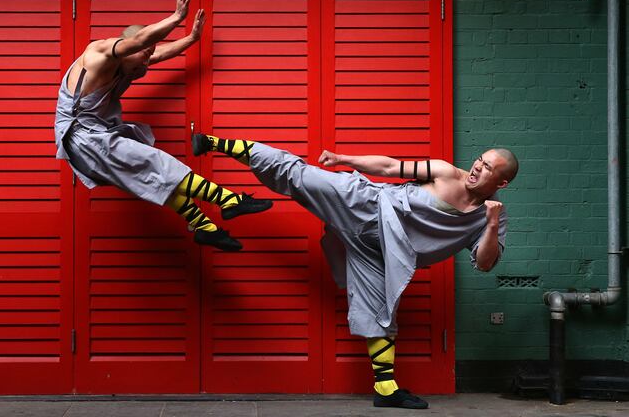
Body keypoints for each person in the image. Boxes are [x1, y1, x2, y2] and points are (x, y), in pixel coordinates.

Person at [191, 133, 517, 409]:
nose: (477, 167)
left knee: (381, 313)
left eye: (488, 167)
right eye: (480, 160)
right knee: (297, 174)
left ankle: (386, 390)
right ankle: (213, 143)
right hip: (365, 205)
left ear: (501, 182)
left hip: (380, 252)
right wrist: (343, 158)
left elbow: (484, 263)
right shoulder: (446, 173)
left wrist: (489, 224)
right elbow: (390, 167)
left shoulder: (493, 216)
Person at [54, 0, 272, 252]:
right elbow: (140, 41)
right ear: (130, 47)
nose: (147, 63)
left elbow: (157, 53)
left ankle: (204, 227)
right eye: (144, 55)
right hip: (83, 137)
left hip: (93, 136)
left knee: (153, 177)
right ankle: (228, 201)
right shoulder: (99, 53)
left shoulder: (128, 62)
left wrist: (192, 38)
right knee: (158, 162)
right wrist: (177, 17)